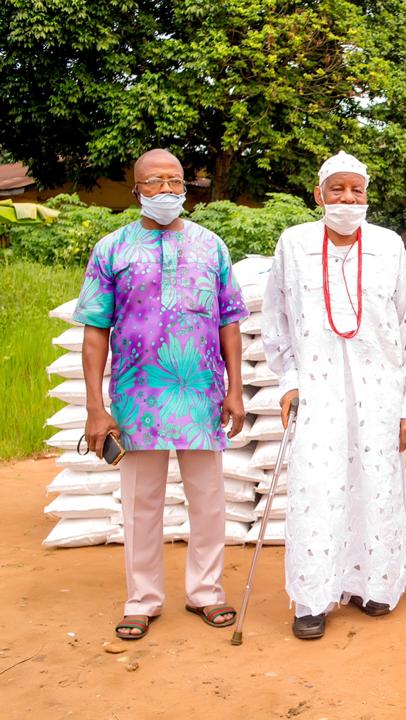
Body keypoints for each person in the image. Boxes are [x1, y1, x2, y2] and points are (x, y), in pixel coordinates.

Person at [76, 148, 248, 641]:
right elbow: (94, 331)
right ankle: (142, 598)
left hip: (201, 395)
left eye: (175, 181)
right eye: (154, 182)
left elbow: (230, 320)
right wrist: (95, 406)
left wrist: (236, 390)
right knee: (141, 502)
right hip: (137, 397)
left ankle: (207, 592)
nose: (167, 191)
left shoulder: (211, 245)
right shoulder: (112, 248)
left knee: (209, 499)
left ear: (187, 188)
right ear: (136, 190)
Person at [262, 151, 406, 640]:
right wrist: (288, 381)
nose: (346, 198)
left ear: (366, 196)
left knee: (376, 486)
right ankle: (313, 598)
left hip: (380, 392)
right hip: (317, 390)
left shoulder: (389, 244)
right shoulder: (293, 244)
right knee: (317, 489)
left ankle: (373, 586)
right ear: (318, 195)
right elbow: (275, 319)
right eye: (337, 189)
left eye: (356, 190)